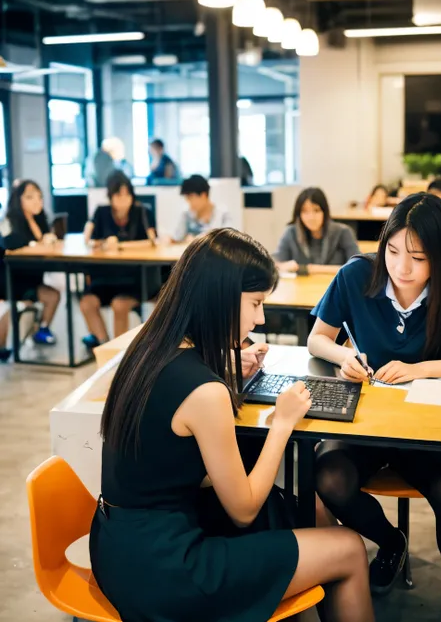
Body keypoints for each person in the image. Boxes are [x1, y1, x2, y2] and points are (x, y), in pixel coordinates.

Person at [89, 228, 374, 622]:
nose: (260, 318)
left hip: (115, 545)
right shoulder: (205, 393)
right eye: (255, 303)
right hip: (166, 571)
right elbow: (242, 509)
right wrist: (282, 422)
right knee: (348, 547)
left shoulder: (149, 345)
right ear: (219, 298)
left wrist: (220, 367)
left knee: (293, 510)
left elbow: (173, 417)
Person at [308, 193, 441, 621]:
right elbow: (317, 338)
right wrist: (345, 357)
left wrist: (422, 368)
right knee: (328, 476)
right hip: (367, 419)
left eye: (418, 258)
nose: (402, 267)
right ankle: (392, 541)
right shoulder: (356, 276)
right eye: (394, 250)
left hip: (426, 425)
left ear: (440, 257)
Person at [80, 171, 157, 348]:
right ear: (110, 196)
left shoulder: (142, 212)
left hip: (133, 279)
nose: (124, 199)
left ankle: (119, 353)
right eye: (118, 195)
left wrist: (121, 245)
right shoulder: (101, 212)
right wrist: (102, 243)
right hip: (105, 278)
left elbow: (152, 241)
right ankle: (105, 346)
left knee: (119, 305)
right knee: (86, 303)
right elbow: (88, 239)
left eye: (127, 194)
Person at [0, 180, 60, 346]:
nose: (37, 201)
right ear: (18, 200)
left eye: (39, 197)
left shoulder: (40, 220)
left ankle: (42, 329)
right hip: (11, 281)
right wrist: (34, 243)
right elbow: (8, 242)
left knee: (54, 295)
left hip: (31, 278)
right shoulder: (10, 220)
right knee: (50, 295)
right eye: (30, 197)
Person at [274, 188, 359, 274]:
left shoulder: (343, 232)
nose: (311, 217)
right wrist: (283, 266)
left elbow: (357, 266)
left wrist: (310, 269)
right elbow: (276, 264)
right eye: (305, 211)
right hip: (301, 286)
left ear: (325, 212)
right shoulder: (291, 232)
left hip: (335, 285)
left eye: (316, 210)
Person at [172, 174, 233, 242]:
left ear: (203, 195)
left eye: (190, 197)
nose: (188, 202)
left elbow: (229, 241)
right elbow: (176, 238)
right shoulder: (186, 214)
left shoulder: (222, 214)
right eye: (187, 198)